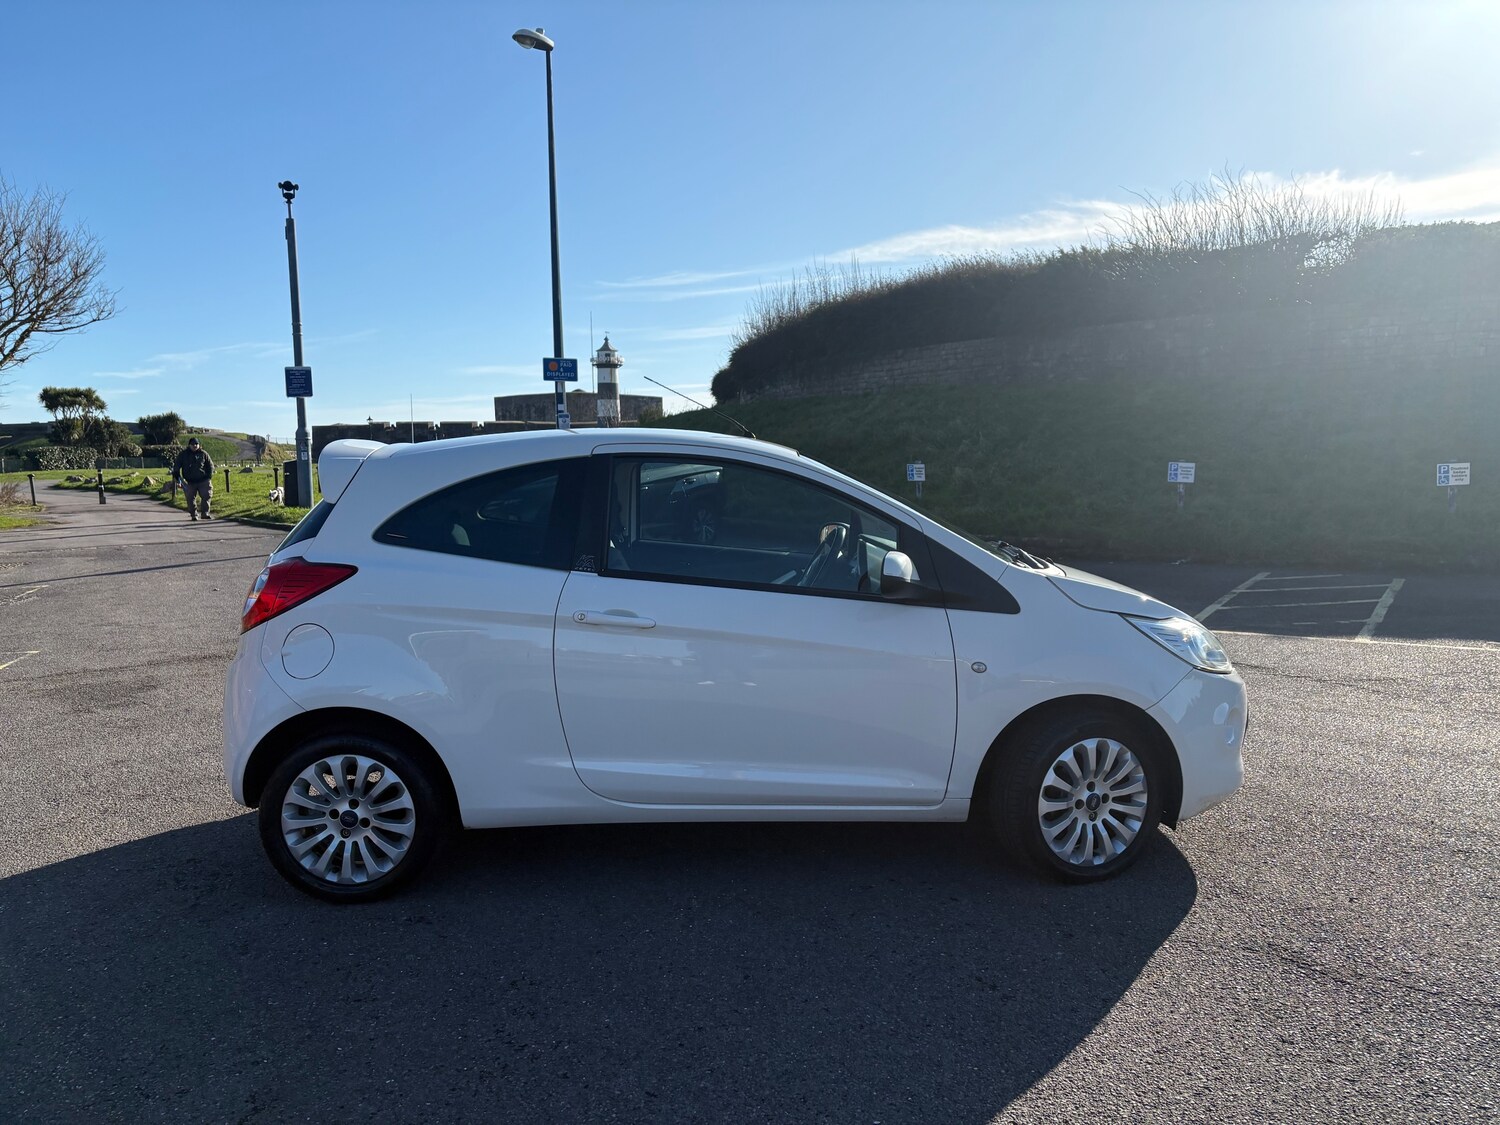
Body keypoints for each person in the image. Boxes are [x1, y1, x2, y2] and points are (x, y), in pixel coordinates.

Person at [173, 437, 215, 521]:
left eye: (196, 444)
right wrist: (178, 479)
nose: (195, 446)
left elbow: (210, 465)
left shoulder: (204, 454)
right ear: (189, 445)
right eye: (193, 444)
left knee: (207, 496)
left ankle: (205, 513)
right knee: (190, 498)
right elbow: (176, 468)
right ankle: (194, 515)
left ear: (199, 445)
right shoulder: (183, 455)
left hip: (203, 480)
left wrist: (209, 476)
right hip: (190, 481)